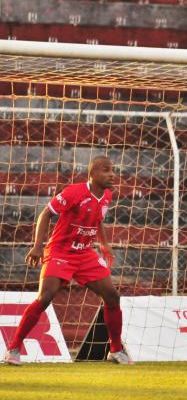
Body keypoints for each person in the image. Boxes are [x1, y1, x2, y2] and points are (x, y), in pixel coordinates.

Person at [3, 156, 132, 366]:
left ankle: (116, 350)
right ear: (92, 174)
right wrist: (37, 246)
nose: (112, 175)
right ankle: (14, 349)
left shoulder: (107, 195)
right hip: (60, 252)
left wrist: (104, 244)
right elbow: (45, 214)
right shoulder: (74, 192)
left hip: (85, 254)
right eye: (106, 170)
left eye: (113, 170)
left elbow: (97, 220)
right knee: (45, 297)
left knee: (112, 297)